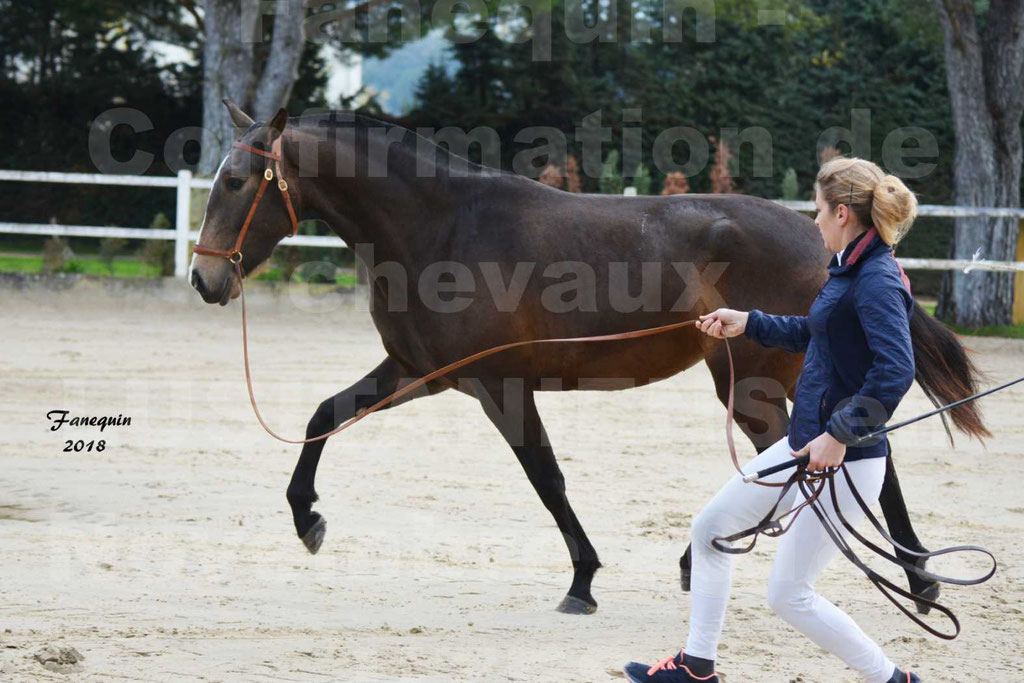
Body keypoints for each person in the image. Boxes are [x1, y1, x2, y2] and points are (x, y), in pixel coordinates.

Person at [624, 157, 924, 683]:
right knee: (712, 530)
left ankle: (895, 680)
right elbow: (818, 332)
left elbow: (896, 371)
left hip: (844, 459)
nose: (813, 222)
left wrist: (840, 434)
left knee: (790, 596)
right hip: (806, 445)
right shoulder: (850, 268)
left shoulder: (875, 279)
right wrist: (747, 322)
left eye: (818, 211)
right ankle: (697, 667)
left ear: (842, 215)